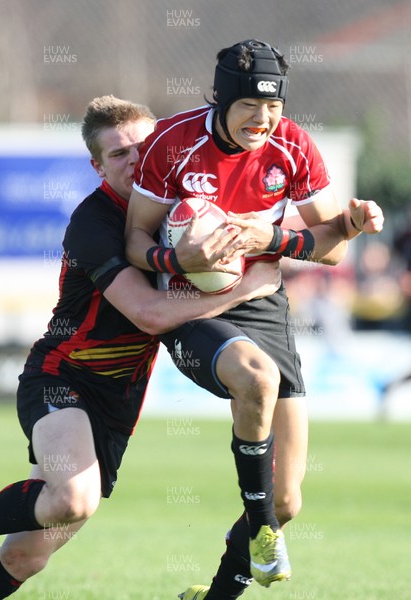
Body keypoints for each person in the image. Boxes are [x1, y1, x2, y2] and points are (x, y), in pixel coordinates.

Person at [0, 95, 282, 599]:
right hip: (62, 376)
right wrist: (244, 289)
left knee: (25, 556)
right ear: (96, 166)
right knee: (74, 499)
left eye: (144, 146)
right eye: (118, 154)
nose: (135, 160)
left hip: (118, 405)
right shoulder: (93, 224)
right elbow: (148, 313)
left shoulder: (186, 209)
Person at [124, 39, 384, 598]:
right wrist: (179, 259)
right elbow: (134, 241)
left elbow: (331, 246)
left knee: (289, 499)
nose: (263, 120)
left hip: (264, 302)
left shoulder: (292, 145)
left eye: (273, 107)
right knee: (256, 378)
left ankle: (223, 587)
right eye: (249, 107)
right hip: (191, 306)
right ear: (221, 100)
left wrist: (343, 224)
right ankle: (262, 529)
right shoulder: (173, 144)